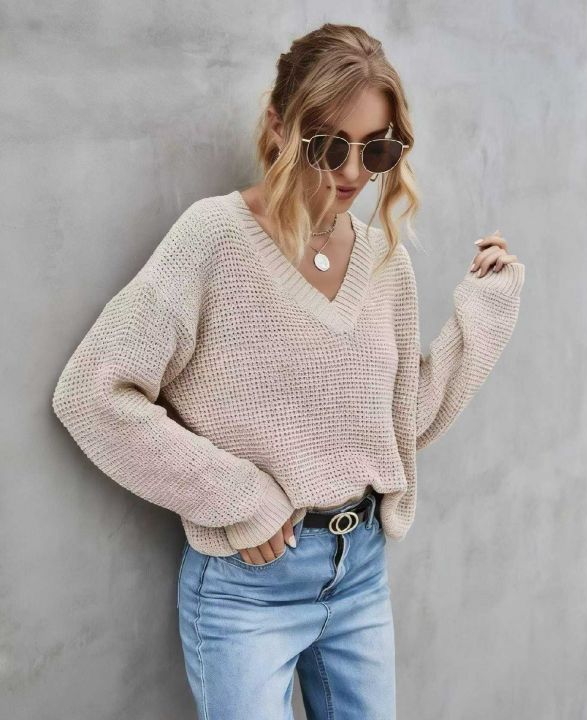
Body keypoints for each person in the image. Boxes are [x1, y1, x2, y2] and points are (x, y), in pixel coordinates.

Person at [51, 22, 525, 720]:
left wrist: (484, 314)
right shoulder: (213, 238)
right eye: (330, 145)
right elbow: (92, 393)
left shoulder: (386, 262)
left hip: (361, 573)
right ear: (278, 126)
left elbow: (400, 426)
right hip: (247, 587)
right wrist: (240, 497)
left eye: (377, 149)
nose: (354, 173)